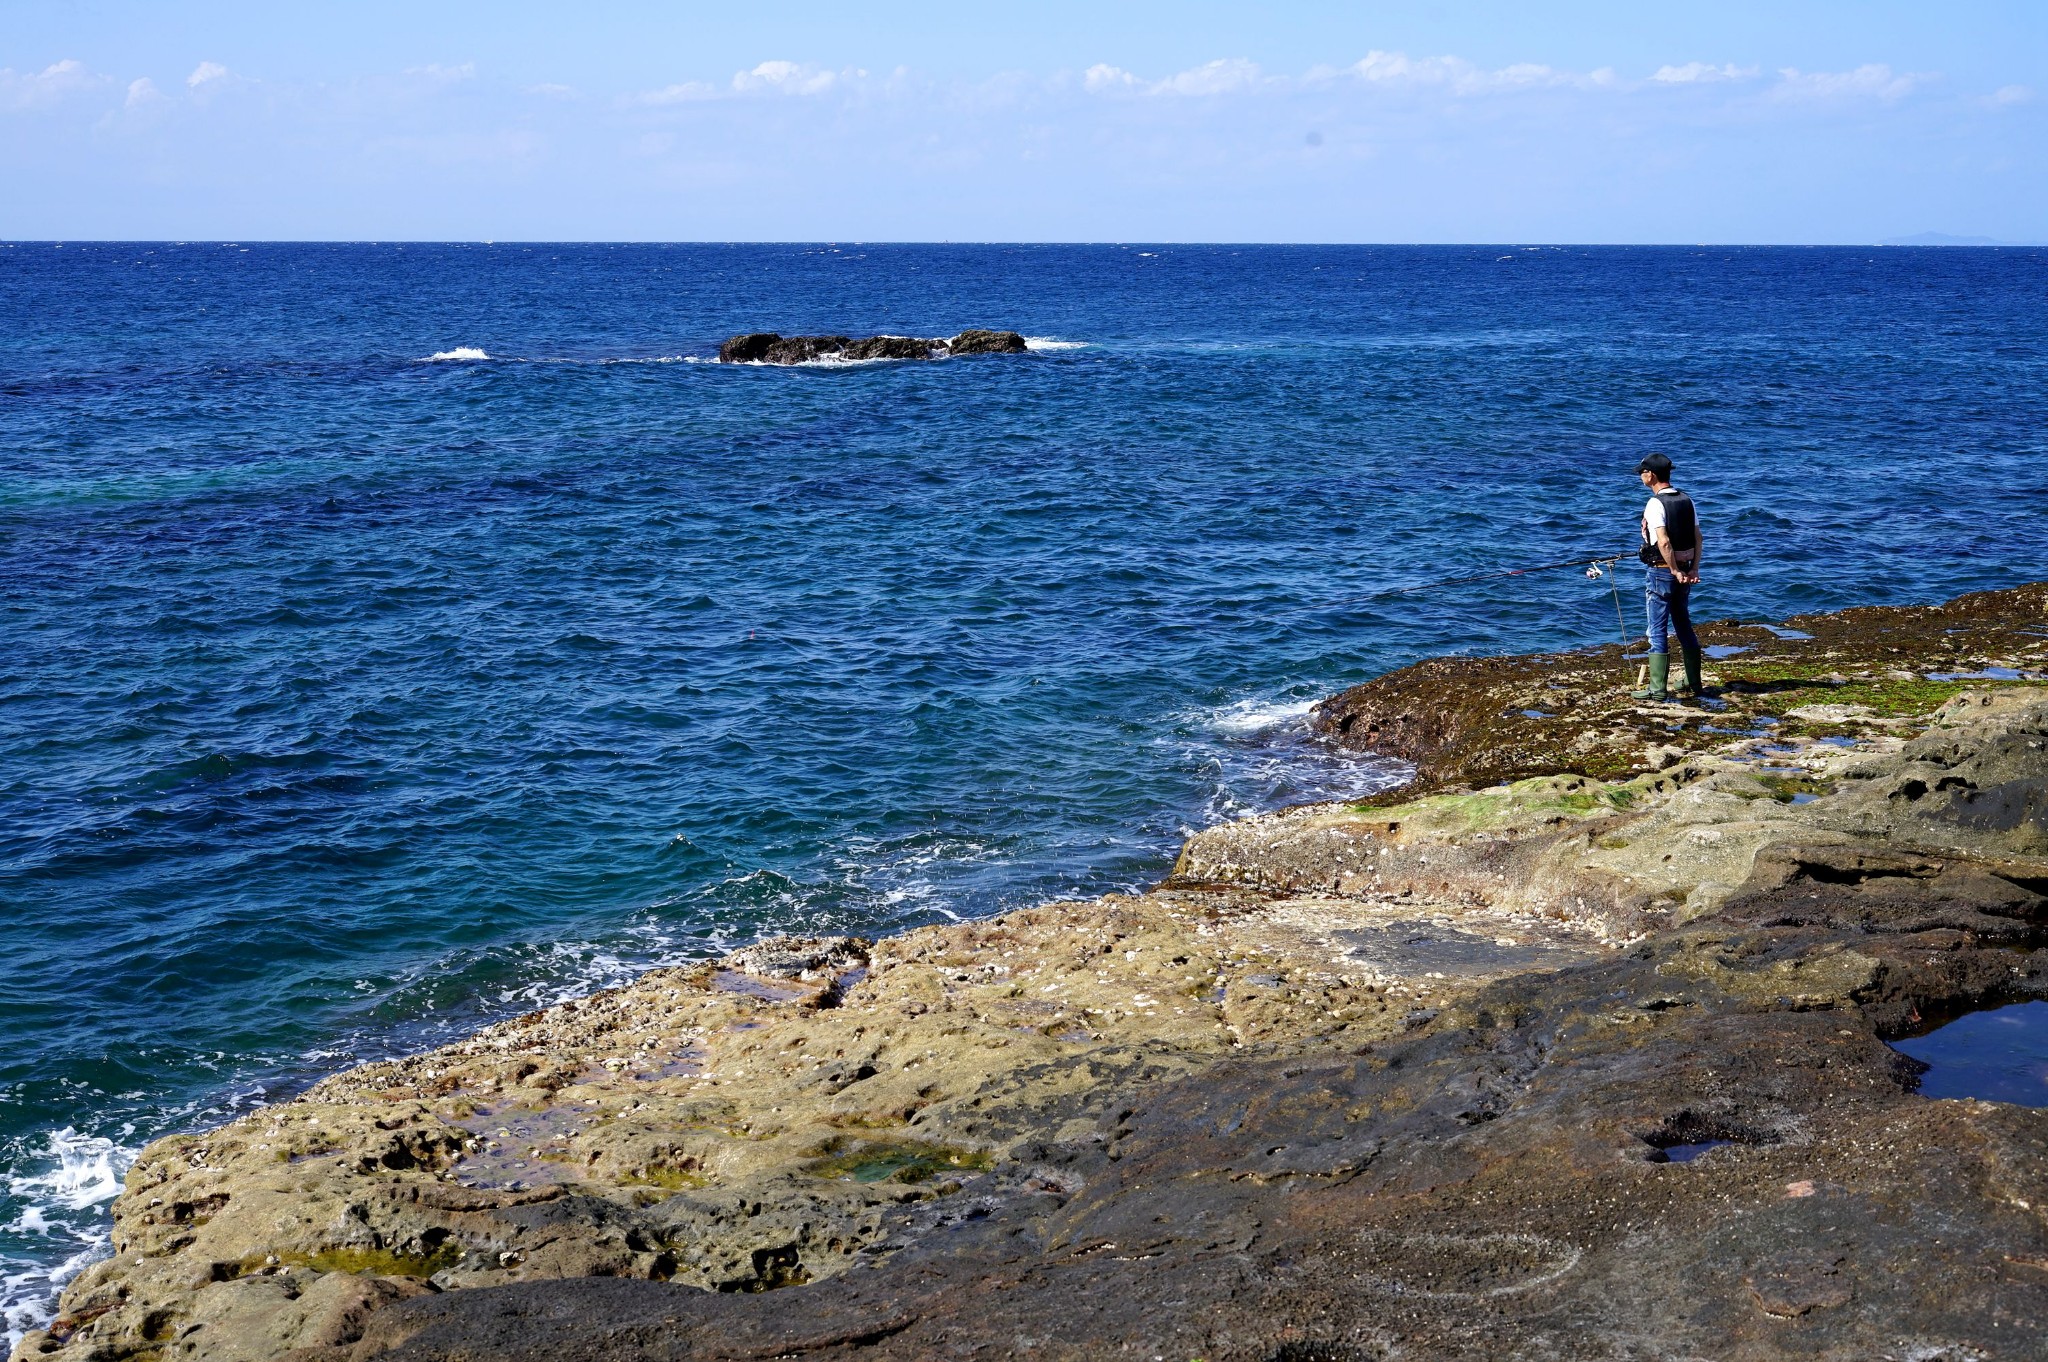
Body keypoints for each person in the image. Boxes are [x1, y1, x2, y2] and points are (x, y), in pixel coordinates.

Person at [1632, 453, 1703, 701]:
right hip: (1685, 569)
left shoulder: (1655, 503)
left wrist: (1673, 570)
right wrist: (1692, 569)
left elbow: (1663, 541)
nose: (1641, 476)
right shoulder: (1687, 500)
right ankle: (1694, 681)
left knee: (1657, 628)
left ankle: (1657, 689)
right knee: (1683, 623)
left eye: (1642, 472)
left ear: (1651, 475)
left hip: (1662, 571)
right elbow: (1698, 538)